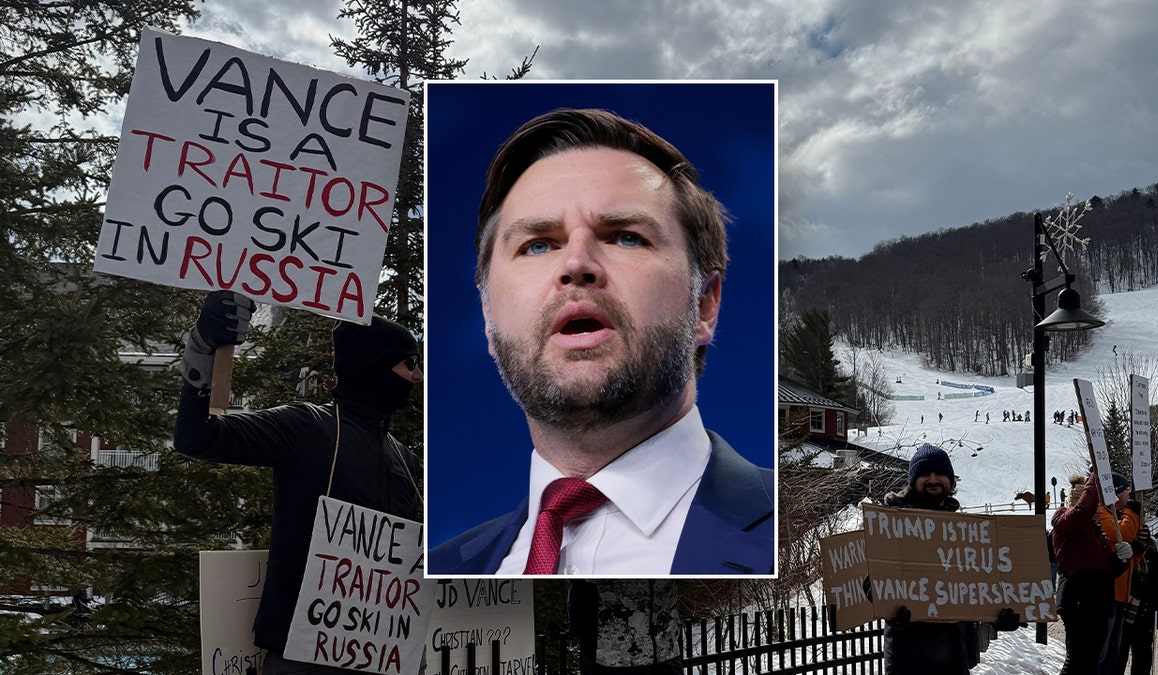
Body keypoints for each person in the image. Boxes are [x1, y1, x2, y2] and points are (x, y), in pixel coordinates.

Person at [427, 108, 773, 576]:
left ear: (705, 306)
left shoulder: (802, 534)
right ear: (488, 314)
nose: (575, 263)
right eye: (537, 244)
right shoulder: (441, 569)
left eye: (625, 238)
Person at [175, 291, 424, 673]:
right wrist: (204, 347)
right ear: (376, 364)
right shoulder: (306, 427)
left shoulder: (405, 459)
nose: (417, 375)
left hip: (381, 654)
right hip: (304, 656)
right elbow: (198, 437)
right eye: (408, 363)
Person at [880, 444, 1020, 674]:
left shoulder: (964, 531)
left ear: (951, 482)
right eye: (925, 474)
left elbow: (980, 585)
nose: (933, 479)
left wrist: (998, 615)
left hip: (956, 657)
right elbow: (871, 580)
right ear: (913, 480)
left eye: (940, 474)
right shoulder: (892, 523)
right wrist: (890, 608)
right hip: (909, 658)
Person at [1051, 472, 1132, 675]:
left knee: (1090, 661)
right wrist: (1097, 475)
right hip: (1079, 601)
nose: (1097, 513)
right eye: (1095, 509)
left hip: (1097, 602)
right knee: (1078, 662)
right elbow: (1083, 510)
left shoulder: (1095, 534)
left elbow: (1106, 569)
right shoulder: (1065, 526)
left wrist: (1121, 558)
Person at [1114, 501, 1158, 675]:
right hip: (1124, 610)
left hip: (1146, 611)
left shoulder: (1152, 545)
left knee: (1143, 659)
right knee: (1118, 658)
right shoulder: (1119, 544)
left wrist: (1152, 586)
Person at [1096, 472, 1140, 675]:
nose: (1129, 498)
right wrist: (1132, 513)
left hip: (1120, 594)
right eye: (1126, 493)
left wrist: (1139, 550)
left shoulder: (1117, 514)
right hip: (1107, 595)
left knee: (1113, 653)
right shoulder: (1101, 513)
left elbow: (1127, 553)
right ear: (1115, 493)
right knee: (1101, 654)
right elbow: (1124, 534)